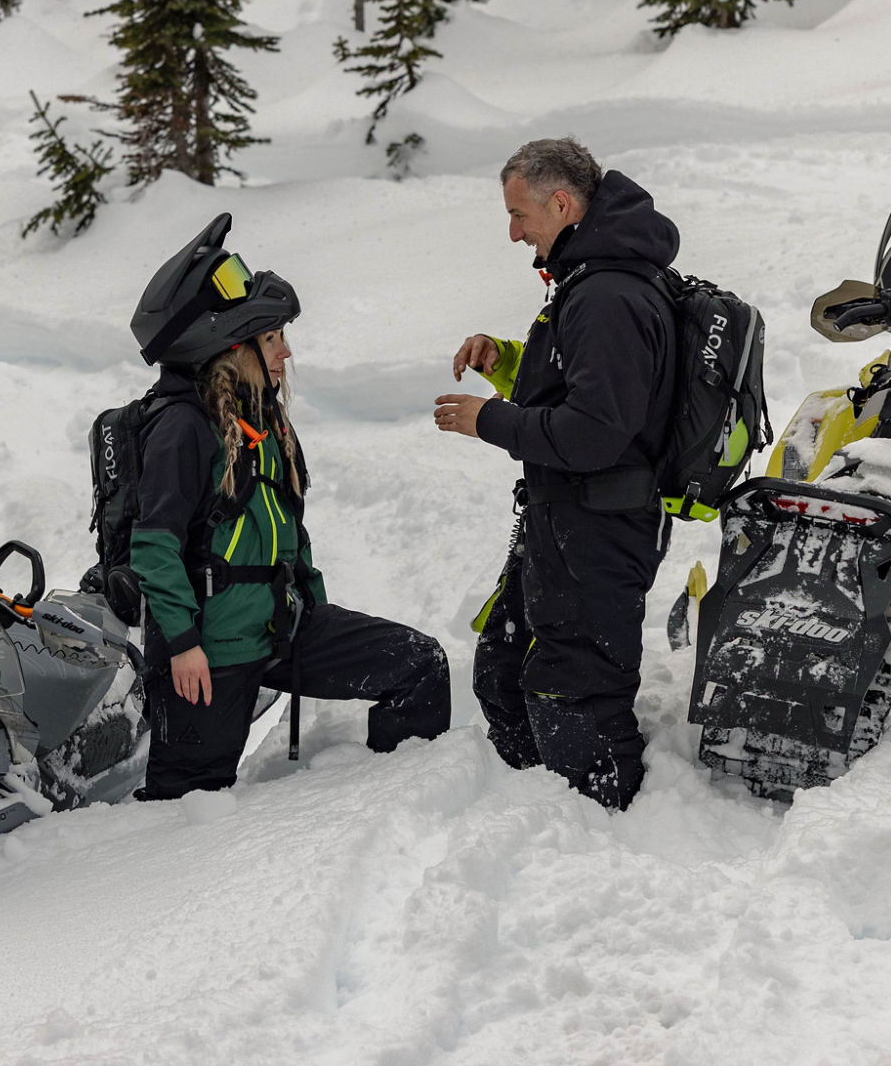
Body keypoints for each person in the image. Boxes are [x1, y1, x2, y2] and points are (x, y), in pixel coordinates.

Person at [128, 214, 452, 800]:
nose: (286, 351)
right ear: (234, 344)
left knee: (419, 665)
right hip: (209, 654)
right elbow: (154, 548)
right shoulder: (183, 426)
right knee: (183, 816)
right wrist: (181, 645)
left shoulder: (264, 419)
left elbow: (288, 528)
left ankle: (398, 813)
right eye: (273, 338)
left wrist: (313, 609)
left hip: (280, 628)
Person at [432, 138, 679, 811]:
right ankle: (542, 821)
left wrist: (490, 420)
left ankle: (607, 839)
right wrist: (507, 360)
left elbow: (596, 432)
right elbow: (579, 389)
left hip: (600, 527)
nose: (513, 231)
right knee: (505, 676)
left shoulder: (608, 295)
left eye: (520, 214)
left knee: (576, 702)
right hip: (562, 518)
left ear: (563, 203)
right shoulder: (588, 280)